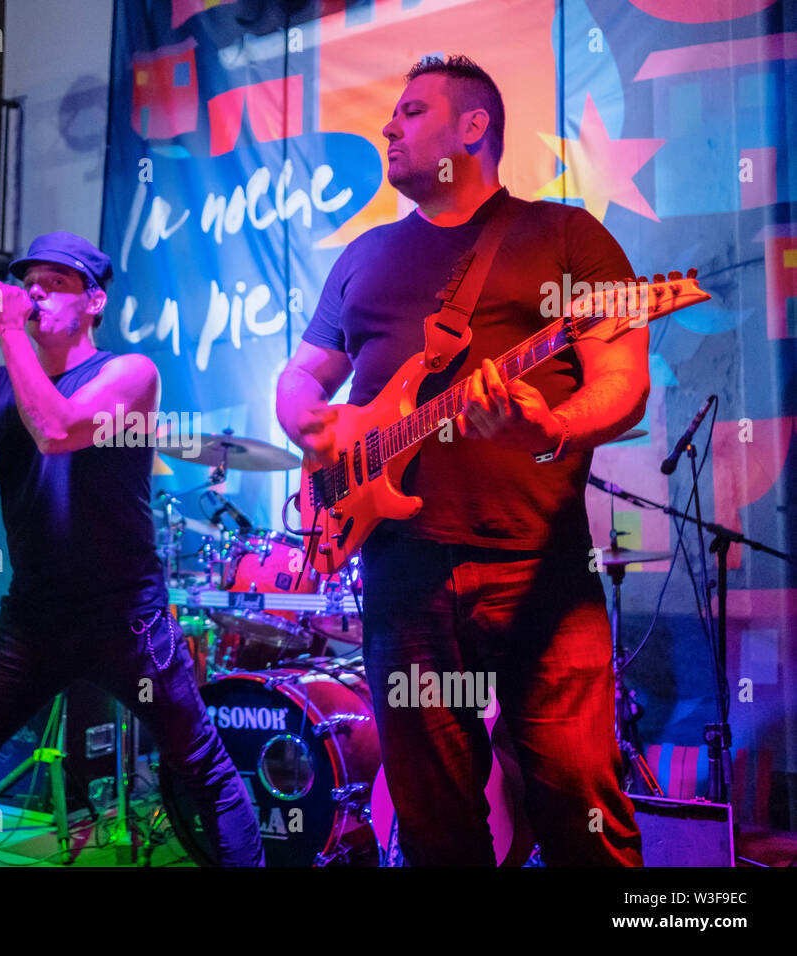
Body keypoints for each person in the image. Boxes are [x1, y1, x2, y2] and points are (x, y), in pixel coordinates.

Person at [276, 55, 645, 866]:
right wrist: (299, 409)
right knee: (435, 822)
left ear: (473, 127)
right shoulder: (363, 255)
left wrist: (549, 424)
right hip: (402, 575)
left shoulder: (566, 235)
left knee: (580, 804)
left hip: (536, 569)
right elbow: (307, 371)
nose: (387, 127)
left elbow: (625, 381)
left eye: (410, 111)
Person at [0, 231, 264, 866]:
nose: (35, 292)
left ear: (94, 302)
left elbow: (58, 428)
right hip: (32, 618)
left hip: (124, 618)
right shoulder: (7, 389)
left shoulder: (129, 374)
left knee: (199, 765)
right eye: (29, 281)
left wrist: (13, 335)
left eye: (56, 282)